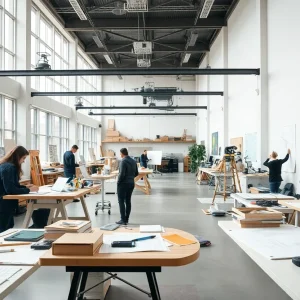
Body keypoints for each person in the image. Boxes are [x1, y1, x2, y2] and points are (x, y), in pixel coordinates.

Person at [0, 146, 39, 232]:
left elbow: (12, 186)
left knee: (7, 227)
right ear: (18, 156)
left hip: (4, 204)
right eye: (23, 158)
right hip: (3, 205)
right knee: (4, 229)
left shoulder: (5, 165)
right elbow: (10, 190)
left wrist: (25, 187)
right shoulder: (10, 168)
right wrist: (29, 190)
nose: (24, 161)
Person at [116, 148, 138, 225]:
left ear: (122, 153)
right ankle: (126, 219)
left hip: (123, 184)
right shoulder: (133, 161)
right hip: (131, 183)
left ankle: (122, 219)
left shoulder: (123, 161)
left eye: (120, 153)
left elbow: (121, 174)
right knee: (128, 201)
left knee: (121, 201)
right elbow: (136, 173)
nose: (120, 155)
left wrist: (118, 182)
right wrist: (130, 178)